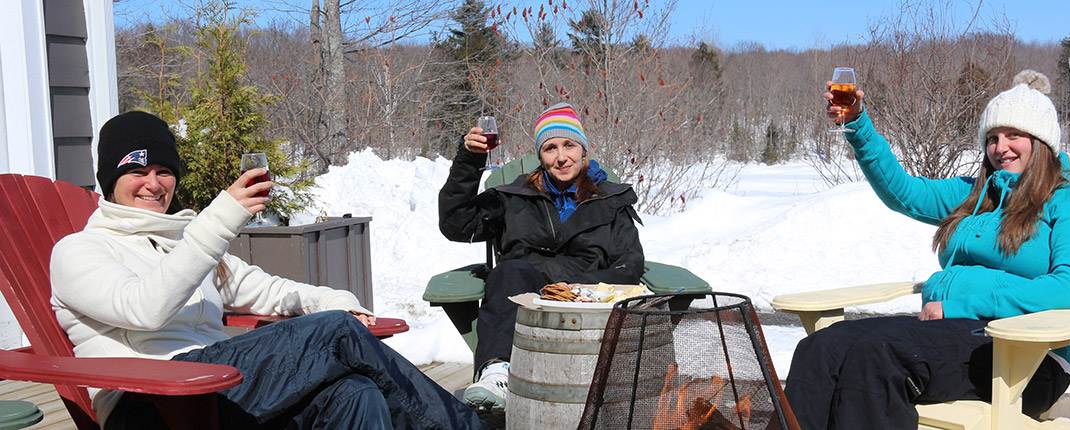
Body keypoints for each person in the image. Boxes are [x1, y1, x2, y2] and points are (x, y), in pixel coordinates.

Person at [50, 111, 485, 429]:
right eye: (137, 171)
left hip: (216, 391)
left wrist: (330, 299)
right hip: (149, 404)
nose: (154, 182)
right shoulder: (79, 251)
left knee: (355, 394)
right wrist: (218, 219)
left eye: (164, 171)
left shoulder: (184, 240)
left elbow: (265, 289)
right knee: (333, 333)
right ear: (109, 180)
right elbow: (143, 309)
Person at [782, 70, 1070, 429]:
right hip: (951, 334)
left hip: (1027, 355)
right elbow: (903, 193)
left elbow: (1069, 288)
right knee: (821, 347)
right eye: (992, 137)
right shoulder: (975, 195)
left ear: (1043, 142)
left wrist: (962, 305)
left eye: (1014, 135)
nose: (1000, 147)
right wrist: (859, 126)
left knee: (876, 356)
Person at [438, 102, 645, 415]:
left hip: (589, 311)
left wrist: (567, 286)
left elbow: (629, 266)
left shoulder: (611, 201)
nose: (561, 156)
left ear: (583, 149)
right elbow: (457, 223)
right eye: (550, 148)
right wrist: (470, 161)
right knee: (509, 272)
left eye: (568, 145)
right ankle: (498, 373)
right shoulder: (513, 197)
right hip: (523, 310)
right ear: (540, 155)